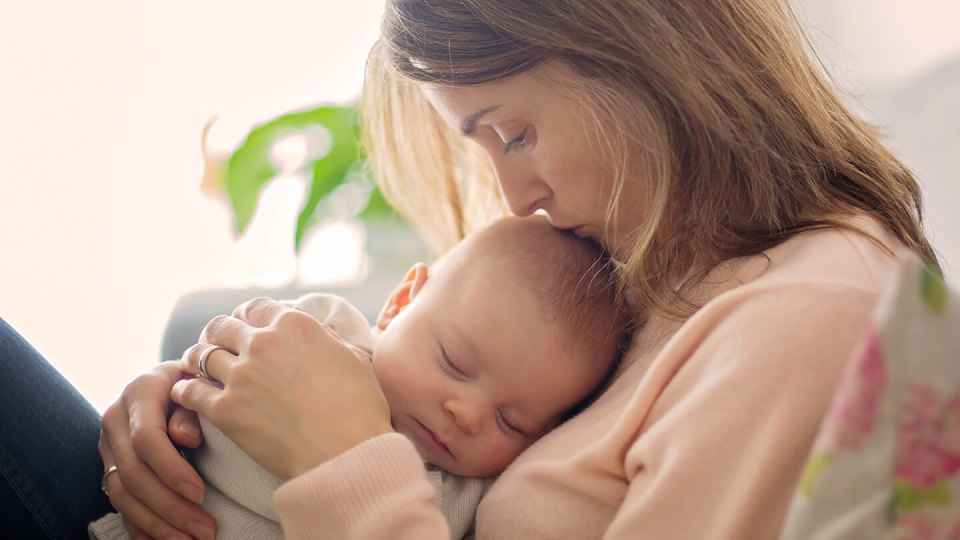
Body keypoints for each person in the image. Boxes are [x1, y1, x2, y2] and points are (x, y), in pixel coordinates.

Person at [0, 0, 946, 539]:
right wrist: (198, 412)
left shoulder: (821, 319)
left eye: (513, 133)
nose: (517, 196)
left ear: (641, 52)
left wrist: (341, 465)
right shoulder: (660, 280)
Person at [87, 214, 627, 540]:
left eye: (512, 422)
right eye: (454, 364)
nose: (466, 412)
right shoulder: (323, 330)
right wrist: (167, 383)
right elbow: (216, 349)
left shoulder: (468, 501)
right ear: (399, 302)